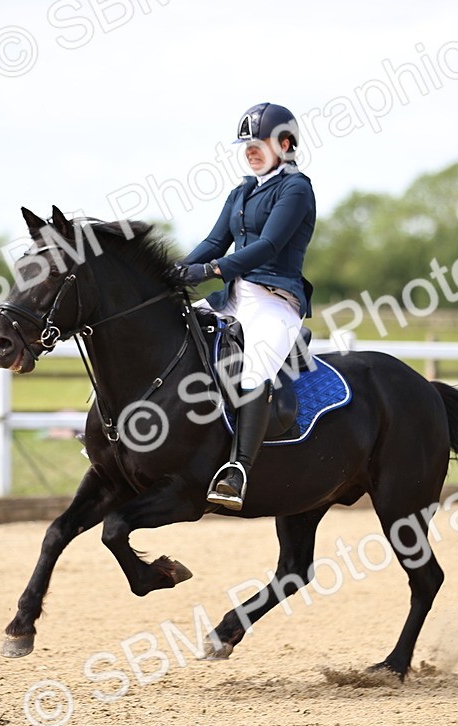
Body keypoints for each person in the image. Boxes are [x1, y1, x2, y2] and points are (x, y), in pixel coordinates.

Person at [175, 102, 316, 511]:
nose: (250, 150)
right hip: (233, 298)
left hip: (274, 301)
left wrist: (211, 269)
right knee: (173, 336)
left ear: (285, 144)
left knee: (255, 370)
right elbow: (213, 241)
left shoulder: (296, 187)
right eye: (247, 144)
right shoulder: (241, 191)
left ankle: (238, 470)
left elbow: (267, 246)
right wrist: (174, 270)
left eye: (259, 143)